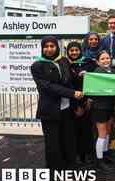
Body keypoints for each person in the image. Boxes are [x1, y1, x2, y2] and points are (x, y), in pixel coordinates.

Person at [30, 36, 83, 171]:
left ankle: (70, 164)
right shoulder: (37, 66)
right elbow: (48, 87)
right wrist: (72, 93)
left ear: (57, 47)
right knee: (52, 141)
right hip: (49, 110)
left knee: (68, 138)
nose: (49, 49)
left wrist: (80, 75)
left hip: (66, 108)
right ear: (42, 48)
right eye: (46, 46)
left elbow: (69, 80)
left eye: (52, 46)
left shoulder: (63, 61)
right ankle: (55, 169)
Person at [66, 41, 96, 166]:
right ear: (68, 52)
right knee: (74, 131)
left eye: (76, 50)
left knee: (88, 130)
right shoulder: (65, 65)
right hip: (73, 103)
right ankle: (78, 155)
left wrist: (89, 99)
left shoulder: (88, 63)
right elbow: (67, 85)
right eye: (71, 50)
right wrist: (76, 106)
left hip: (87, 102)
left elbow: (94, 81)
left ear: (80, 51)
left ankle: (89, 154)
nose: (74, 53)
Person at [90, 50, 115, 173]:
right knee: (102, 133)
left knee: (107, 132)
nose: (106, 60)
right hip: (100, 107)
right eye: (103, 59)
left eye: (107, 58)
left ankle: (105, 154)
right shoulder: (98, 72)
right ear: (98, 62)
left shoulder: (111, 71)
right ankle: (99, 160)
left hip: (109, 107)